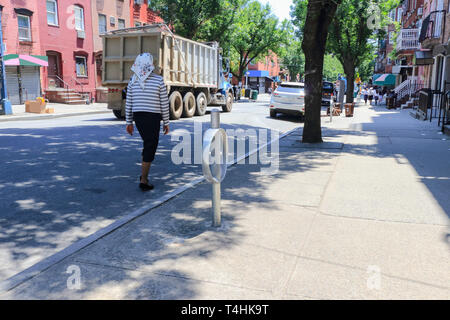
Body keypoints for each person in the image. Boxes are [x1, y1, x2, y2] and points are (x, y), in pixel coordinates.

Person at [125, 53, 170, 191]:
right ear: (151, 65)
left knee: (148, 143)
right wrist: (166, 122)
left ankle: (144, 174)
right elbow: (164, 103)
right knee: (151, 145)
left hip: (139, 117)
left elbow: (129, 102)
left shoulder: (133, 80)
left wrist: (129, 122)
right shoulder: (159, 80)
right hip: (153, 117)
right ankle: (143, 180)